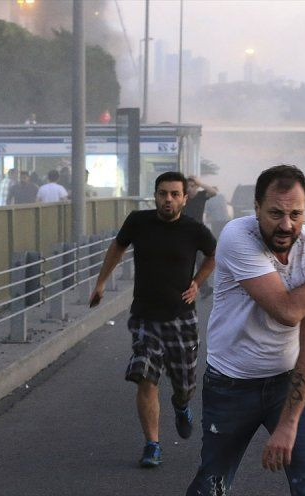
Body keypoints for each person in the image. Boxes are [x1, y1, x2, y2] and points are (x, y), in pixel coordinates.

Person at [186, 165, 305, 496]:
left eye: (295, 213)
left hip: (289, 382)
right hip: (230, 385)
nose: (286, 225)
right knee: (211, 486)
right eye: (275, 213)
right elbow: (287, 312)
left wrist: (289, 424)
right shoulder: (237, 236)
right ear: (256, 208)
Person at [89, 171, 216, 468]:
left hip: (181, 318)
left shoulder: (194, 229)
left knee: (184, 383)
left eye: (174, 194)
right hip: (145, 317)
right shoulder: (138, 221)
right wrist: (101, 283)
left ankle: (182, 405)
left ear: (185, 198)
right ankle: (152, 444)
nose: (168, 199)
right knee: (145, 377)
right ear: (155, 196)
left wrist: (197, 282)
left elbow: (213, 255)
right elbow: (117, 247)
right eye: (162, 193)